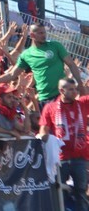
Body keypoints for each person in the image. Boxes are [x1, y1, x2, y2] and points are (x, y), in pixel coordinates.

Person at [0, 24, 84, 108]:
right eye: (40, 33)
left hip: (61, 94)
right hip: (44, 98)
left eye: (44, 32)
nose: (44, 35)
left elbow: (71, 64)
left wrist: (79, 82)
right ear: (32, 35)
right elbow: (12, 75)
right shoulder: (26, 54)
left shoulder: (55, 46)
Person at [40, 78, 89, 210]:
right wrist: (43, 137)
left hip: (80, 157)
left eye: (75, 89)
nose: (75, 92)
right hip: (60, 158)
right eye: (71, 89)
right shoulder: (50, 108)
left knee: (81, 191)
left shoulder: (83, 103)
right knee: (58, 191)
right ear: (62, 91)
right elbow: (44, 129)